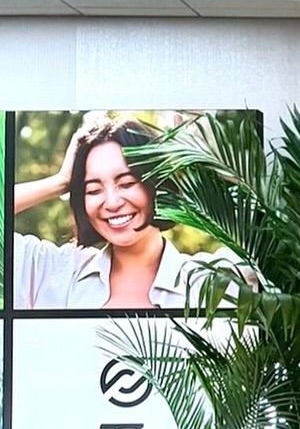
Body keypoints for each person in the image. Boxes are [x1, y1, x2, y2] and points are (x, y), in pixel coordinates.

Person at [13, 115, 235, 311]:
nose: (112, 203)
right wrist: (60, 181)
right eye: (94, 190)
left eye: (127, 183)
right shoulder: (57, 274)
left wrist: (205, 158)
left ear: (156, 184)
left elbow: (259, 213)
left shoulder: (211, 280)